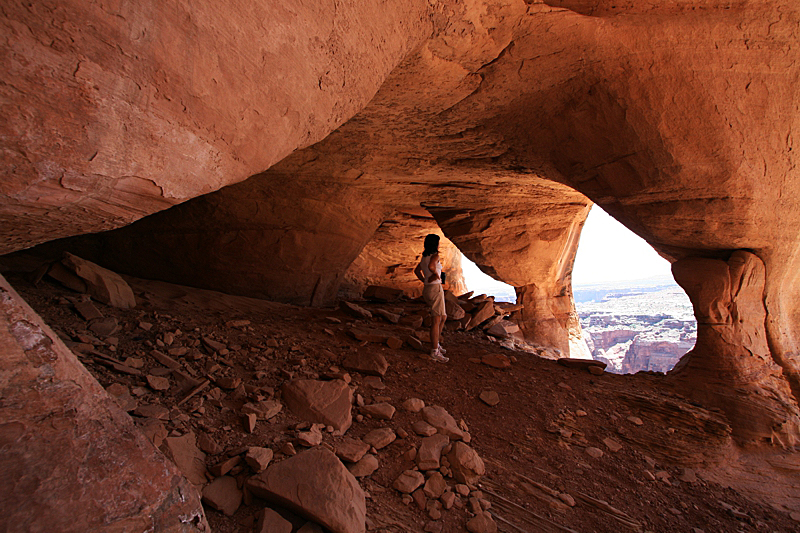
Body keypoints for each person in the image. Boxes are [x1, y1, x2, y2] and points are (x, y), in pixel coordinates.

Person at [413, 234, 449, 362]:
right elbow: (432, 266)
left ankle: (436, 344)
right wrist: (435, 275)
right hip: (435, 289)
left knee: (442, 317)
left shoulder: (424, 257)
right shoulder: (435, 256)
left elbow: (416, 271)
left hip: (428, 288)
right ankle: (434, 351)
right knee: (436, 320)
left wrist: (425, 280)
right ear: (435, 244)